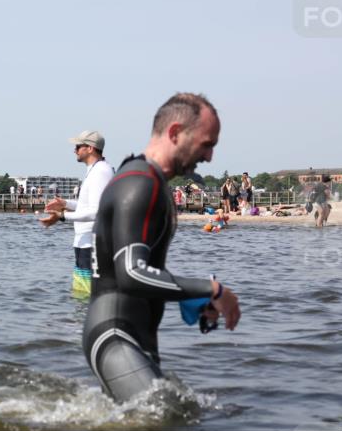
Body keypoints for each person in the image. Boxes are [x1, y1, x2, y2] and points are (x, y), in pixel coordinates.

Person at [83, 93, 241, 402]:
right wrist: (212, 290)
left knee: (163, 422)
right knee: (163, 416)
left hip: (131, 337)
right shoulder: (140, 184)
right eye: (206, 144)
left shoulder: (146, 180)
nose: (209, 157)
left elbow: (141, 269)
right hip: (115, 337)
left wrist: (196, 299)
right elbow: (131, 274)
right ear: (175, 133)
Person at [40, 130, 115, 297]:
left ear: (90, 148)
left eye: (78, 146)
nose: (74, 150)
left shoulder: (101, 172)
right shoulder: (94, 170)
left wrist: (63, 216)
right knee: (82, 296)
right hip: (84, 242)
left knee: (91, 296)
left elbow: (97, 212)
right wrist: (65, 204)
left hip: (94, 244)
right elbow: (86, 206)